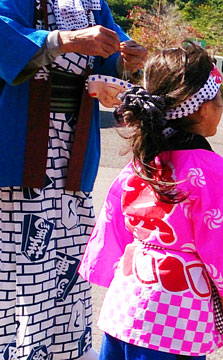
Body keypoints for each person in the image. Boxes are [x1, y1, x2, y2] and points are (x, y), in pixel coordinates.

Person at [77, 43, 223, 359]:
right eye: (220, 100)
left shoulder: (143, 162)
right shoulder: (212, 173)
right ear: (202, 108)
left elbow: (112, 228)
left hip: (125, 308)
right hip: (176, 322)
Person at [1, 1, 146, 358]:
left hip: (72, 148)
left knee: (69, 263)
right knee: (13, 268)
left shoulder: (92, 3)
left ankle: (60, 351)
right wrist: (64, 40)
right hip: (19, 142)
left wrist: (127, 58)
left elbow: (110, 51)